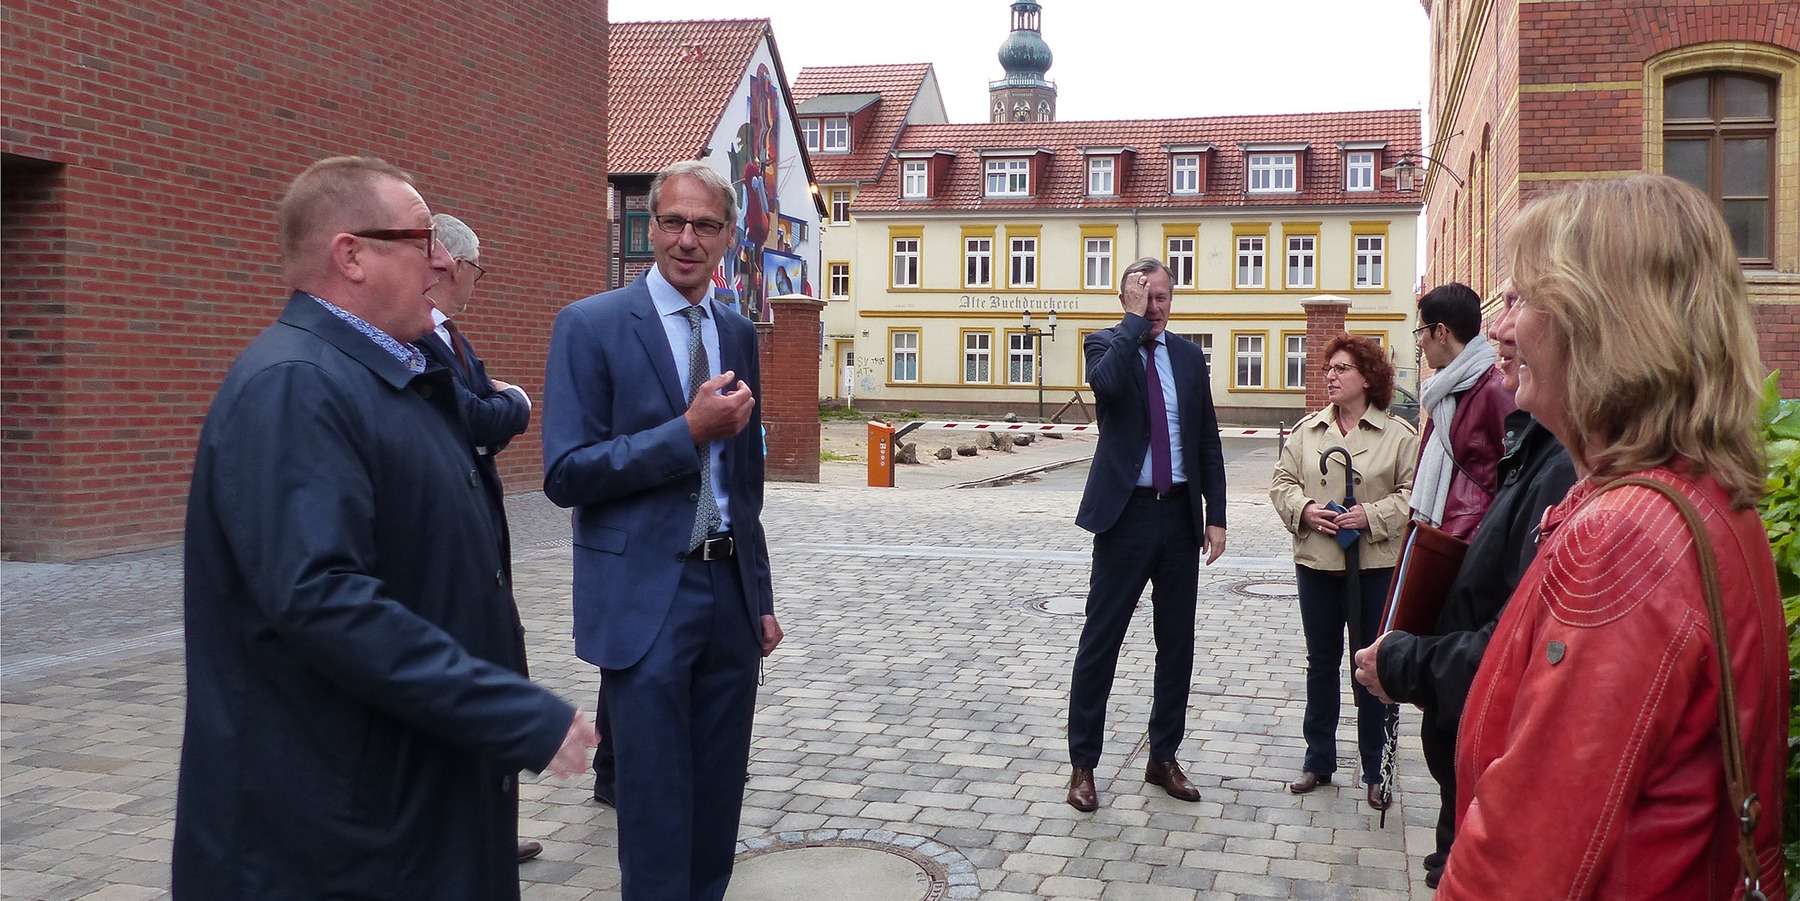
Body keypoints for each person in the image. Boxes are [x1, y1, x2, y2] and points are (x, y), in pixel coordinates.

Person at [173, 155, 596, 900]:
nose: (442, 259)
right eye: (421, 238)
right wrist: (509, 710)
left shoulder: (388, 377)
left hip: (410, 799)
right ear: (352, 255)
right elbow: (324, 598)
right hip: (335, 835)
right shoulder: (296, 387)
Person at [1438, 174, 1787, 897]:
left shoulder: (1625, 538)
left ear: (1601, 323)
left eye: (1525, 298)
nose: (1502, 329)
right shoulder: (1705, 491)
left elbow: (1523, 862)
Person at [542, 160, 783, 901]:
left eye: (704, 225)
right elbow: (567, 472)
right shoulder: (592, 325)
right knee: (651, 804)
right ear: (650, 225)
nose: (686, 239)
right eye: (672, 222)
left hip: (727, 592)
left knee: (717, 798)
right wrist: (684, 431)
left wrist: (761, 594)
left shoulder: (737, 331)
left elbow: (742, 481)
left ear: (728, 236)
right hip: (645, 596)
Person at [1351, 281, 1577, 889]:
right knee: (1451, 753)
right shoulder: (1457, 395)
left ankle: (1451, 851)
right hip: (1450, 574)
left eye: (1520, 306)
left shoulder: (1508, 410)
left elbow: (1520, 646)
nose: (1504, 331)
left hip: (1457, 575)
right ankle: (1447, 848)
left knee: (1461, 753)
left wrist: (1413, 659)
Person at [412, 212, 551, 865]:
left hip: (485, 548)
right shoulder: (420, 342)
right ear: (450, 263)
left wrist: (498, 412)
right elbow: (473, 416)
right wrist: (517, 403)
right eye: (477, 268)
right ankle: (476, 834)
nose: (477, 280)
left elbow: (478, 421)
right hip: (457, 559)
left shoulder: (451, 338)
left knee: (496, 678)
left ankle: (494, 828)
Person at [1066, 258, 1228, 813]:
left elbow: (1206, 436)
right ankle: (1083, 764)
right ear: (1128, 299)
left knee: (1176, 645)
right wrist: (1133, 323)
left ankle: (1163, 756)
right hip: (1125, 517)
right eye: (1146, 296)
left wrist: (1217, 513)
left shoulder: (1187, 356)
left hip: (1179, 515)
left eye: (1163, 297)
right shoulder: (1105, 345)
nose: (1156, 306)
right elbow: (1105, 388)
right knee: (1101, 641)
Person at [1269, 334, 1418, 809]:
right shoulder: (1308, 431)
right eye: (1328, 368)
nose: (1330, 376)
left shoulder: (1397, 435)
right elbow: (1282, 482)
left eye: (1342, 369)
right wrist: (1306, 509)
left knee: (1373, 666)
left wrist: (1370, 517)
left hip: (1374, 568)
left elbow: (1414, 494)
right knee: (1321, 663)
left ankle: (1377, 767)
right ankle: (1319, 761)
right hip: (1318, 564)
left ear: (1368, 378)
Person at [1411, 282, 1515, 540]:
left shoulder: (1494, 390)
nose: (1420, 343)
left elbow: (1517, 477)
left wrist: (1482, 532)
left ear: (1441, 332)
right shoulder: (1442, 391)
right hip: (1443, 535)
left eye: (1421, 331)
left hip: (1471, 540)